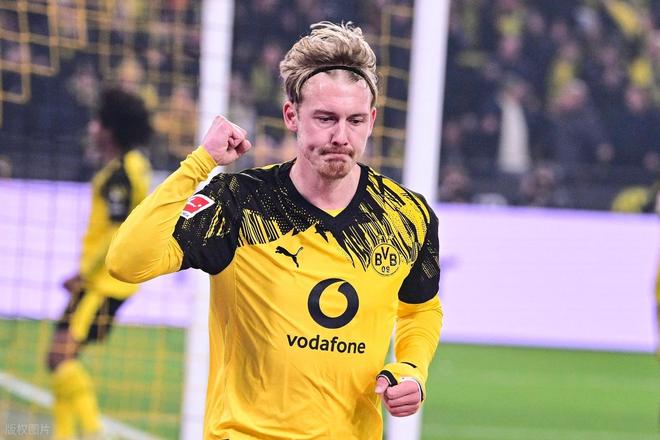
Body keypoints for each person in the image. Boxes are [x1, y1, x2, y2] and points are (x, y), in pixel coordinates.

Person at [107, 21, 442, 439]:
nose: (341, 136)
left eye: (355, 120)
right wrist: (199, 163)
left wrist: (411, 368)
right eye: (325, 118)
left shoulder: (406, 215)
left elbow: (420, 308)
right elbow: (126, 263)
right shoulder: (240, 203)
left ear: (372, 120)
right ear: (291, 115)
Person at [47, 87, 153, 439]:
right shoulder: (127, 166)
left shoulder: (123, 172)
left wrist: (83, 273)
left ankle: (92, 431)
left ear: (111, 129)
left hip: (103, 282)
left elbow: (117, 231)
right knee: (57, 359)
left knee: (62, 358)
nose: (92, 127)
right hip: (100, 280)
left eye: (98, 122)